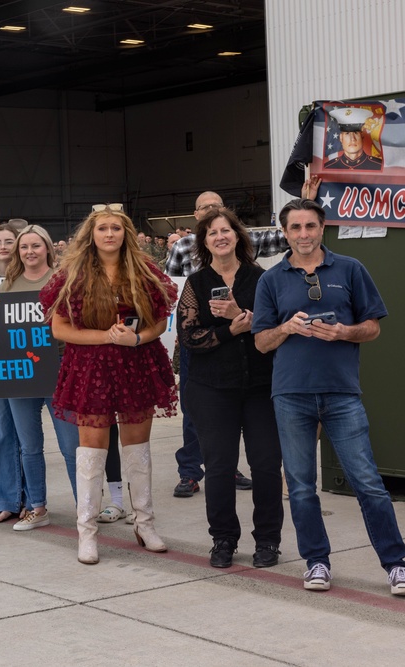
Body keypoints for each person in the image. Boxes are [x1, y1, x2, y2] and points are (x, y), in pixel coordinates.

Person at [252, 197, 405, 596]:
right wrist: (286, 328)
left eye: (310, 226)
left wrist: (343, 332)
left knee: (368, 482)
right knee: (301, 485)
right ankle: (316, 561)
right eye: (295, 228)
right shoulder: (270, 280)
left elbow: (373, 327)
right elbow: (262, 343)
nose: (303, 234)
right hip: (290, 394)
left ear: (322, 228)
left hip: (342, 393)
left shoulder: (351, 269)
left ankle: (397, 563)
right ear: (284, 233)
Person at [41, 204, 178, 564]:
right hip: (91, 366)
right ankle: (87, 531)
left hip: (136, 361)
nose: (109, 234)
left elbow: (161, 322)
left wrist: (136, 339)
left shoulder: (145, 270)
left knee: (138, 449)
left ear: (125, 233)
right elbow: (59, 329)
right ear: (92, 234)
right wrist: (105, 337)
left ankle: (144, 522)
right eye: (103, 228)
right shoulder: (73, 273)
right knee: (92, 450)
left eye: (116, 228)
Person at [177, 207, 284, 569]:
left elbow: (277, 329)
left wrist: (245, 319)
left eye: (225, 230)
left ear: (238, 236)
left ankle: (268, 540)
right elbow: (189, 337)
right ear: (204, 242)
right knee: (219, 467)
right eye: (212, 233)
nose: (220, 237)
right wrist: (230, 330)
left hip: (261, 387)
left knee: (267, 466)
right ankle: (223, 539)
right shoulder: (196, 283)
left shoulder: (263, 279)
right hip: (211, 389)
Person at [166, 191, 278, 497]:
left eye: (218, 211)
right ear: (196, 214)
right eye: (206, 211)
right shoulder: (182, 249)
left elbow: (282, 239)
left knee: (241, 431)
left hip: (250, 364)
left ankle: (230, 467)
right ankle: (191, 470)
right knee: (197, 412)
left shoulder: (257, 274)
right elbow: (171, 290)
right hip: (201, 346)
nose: (217, 230)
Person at [0, 225, 81, 529]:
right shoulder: (7, 286)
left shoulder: (63, 281)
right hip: (20, 371)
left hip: (58, 366)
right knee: (29, 446)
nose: (30, 252)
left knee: (71, 446)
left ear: (47, 248)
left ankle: (85, 507)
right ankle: (38, 507)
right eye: (24, 247)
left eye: (36, 246)